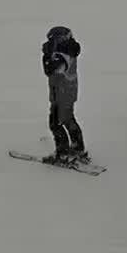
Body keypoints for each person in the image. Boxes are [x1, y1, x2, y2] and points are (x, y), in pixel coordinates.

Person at [42, 25, 86, 163]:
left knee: (55, 123)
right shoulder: (69, 51)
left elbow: (50, 70)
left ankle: (63, 153)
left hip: (62, 94)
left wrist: (48, 55)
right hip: (66, 92)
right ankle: (78, 148)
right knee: (67, 119)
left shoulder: (62, 55)